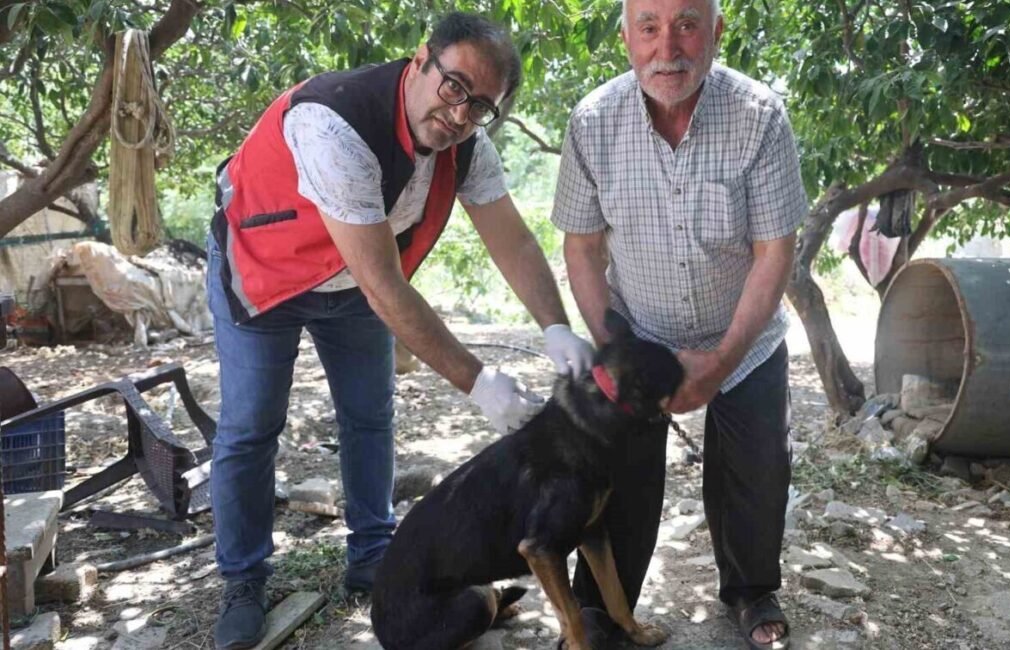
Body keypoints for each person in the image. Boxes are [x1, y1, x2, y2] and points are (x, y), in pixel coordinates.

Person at [206, 12, 594, 649]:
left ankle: (372, 553)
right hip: (265, 273)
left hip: (353, 280)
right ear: (421, 60)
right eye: (455, 86)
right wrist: (481, 383)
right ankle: (243, 578)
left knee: (368, 415)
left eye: (482, 107)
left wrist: (557, 327)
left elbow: (513, 239)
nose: (461, 114)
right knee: (251, 428)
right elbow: (387, 288)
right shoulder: (334, 121)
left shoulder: (466, 144)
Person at [550, 0, 808, 647]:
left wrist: (720, 361)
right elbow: (581, 248)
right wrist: (617, 348)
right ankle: (602, 611)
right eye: (650, 27)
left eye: (688, 24)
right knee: (623, 477)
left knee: (755, 468)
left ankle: (751, 590)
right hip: (639, 335)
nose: (670, 47)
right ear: (627, 38)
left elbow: (775, 252)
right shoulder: (593, 121)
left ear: (716, 32)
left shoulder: (759, 117)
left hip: (744, 339)